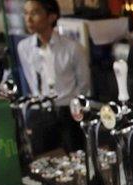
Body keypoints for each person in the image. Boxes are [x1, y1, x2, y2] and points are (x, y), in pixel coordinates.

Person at [17, 0, 90, 154]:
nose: (28, 18)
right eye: (26, 13)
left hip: (67, 109)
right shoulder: (24, 47)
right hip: (40, 109)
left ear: (51, 17)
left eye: (35, 13)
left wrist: (72, 104)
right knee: (42, 159)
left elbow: (84, 83)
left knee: (76, 156)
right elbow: (30, 78)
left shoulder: (72, 48)